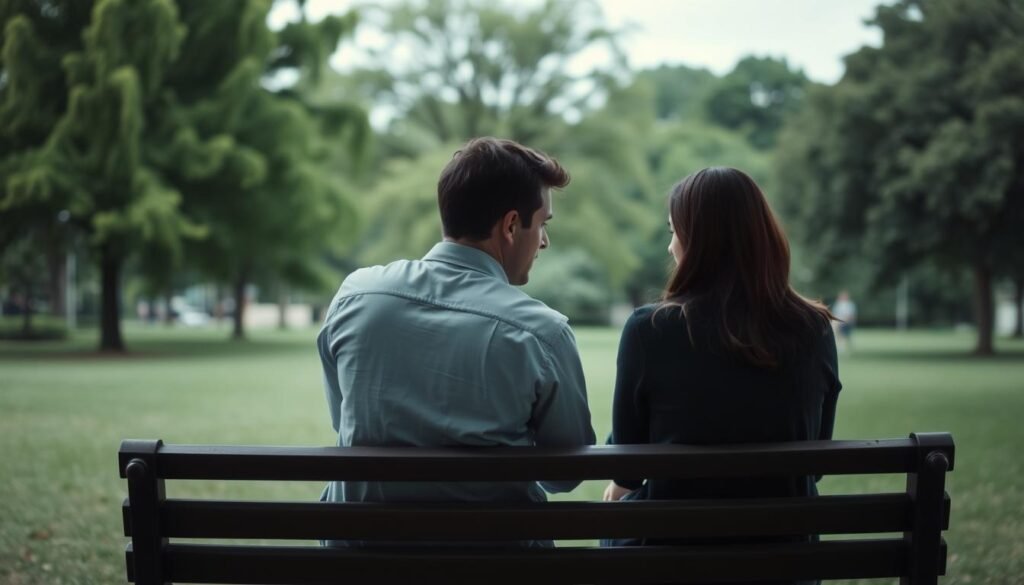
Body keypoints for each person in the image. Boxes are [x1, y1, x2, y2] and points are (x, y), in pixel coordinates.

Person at [317, 137, 596, 547]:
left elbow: (345, 421)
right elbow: (564, 475)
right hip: (492, 564)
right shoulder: (542, 332)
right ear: (511, 225)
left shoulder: (356, 296)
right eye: (543, 224)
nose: (544, 242)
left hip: (362, 558)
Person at [602, 168, 841, 583]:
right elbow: (814, 464)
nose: (670, 244)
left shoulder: (648, 329)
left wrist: (618, 493)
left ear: (696, 243)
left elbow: (627, 464)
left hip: (671, 560)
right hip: (785, 562)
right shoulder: (814, 328)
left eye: (674, 231)